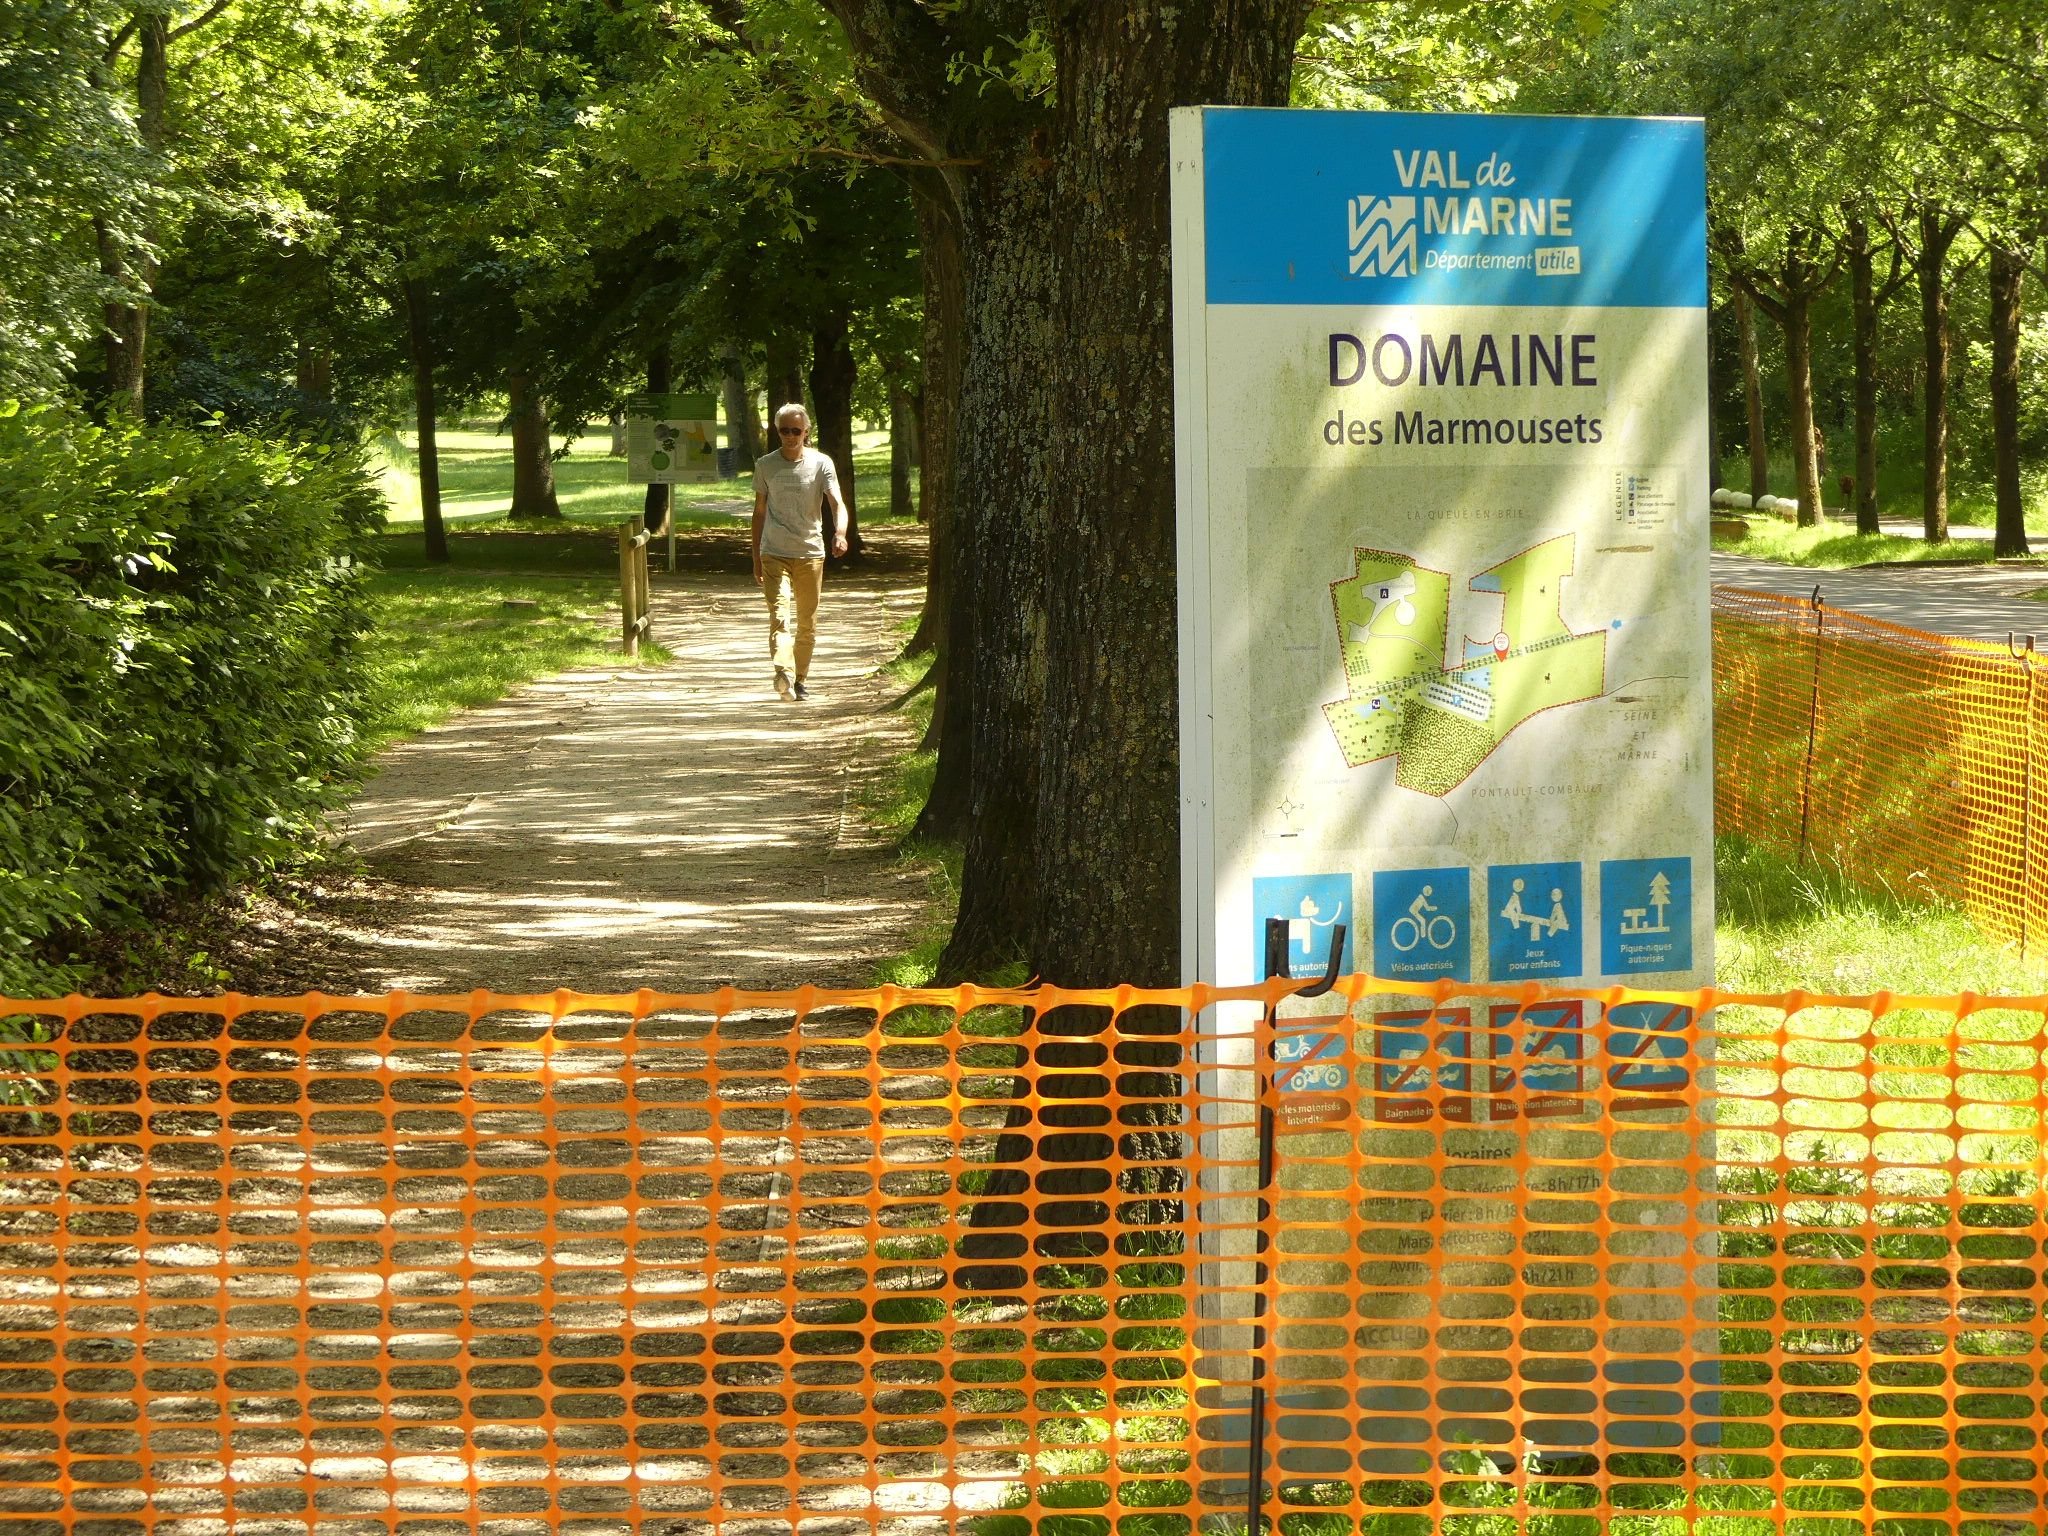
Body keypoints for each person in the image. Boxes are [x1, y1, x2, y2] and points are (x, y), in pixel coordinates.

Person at [751, 403, 848, 700]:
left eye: (796, 430)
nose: (791, 436)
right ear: (776, 431)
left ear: (806, 431)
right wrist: (755, 556)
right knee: (779, 616)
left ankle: (799, 678)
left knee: (807, 622)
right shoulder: (766, 465)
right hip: (774, 552)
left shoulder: (821, 463)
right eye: (784, 430)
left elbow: (836, 504)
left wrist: (840, 533)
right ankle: (784, 672)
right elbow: (759, 512)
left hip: (810, 552)